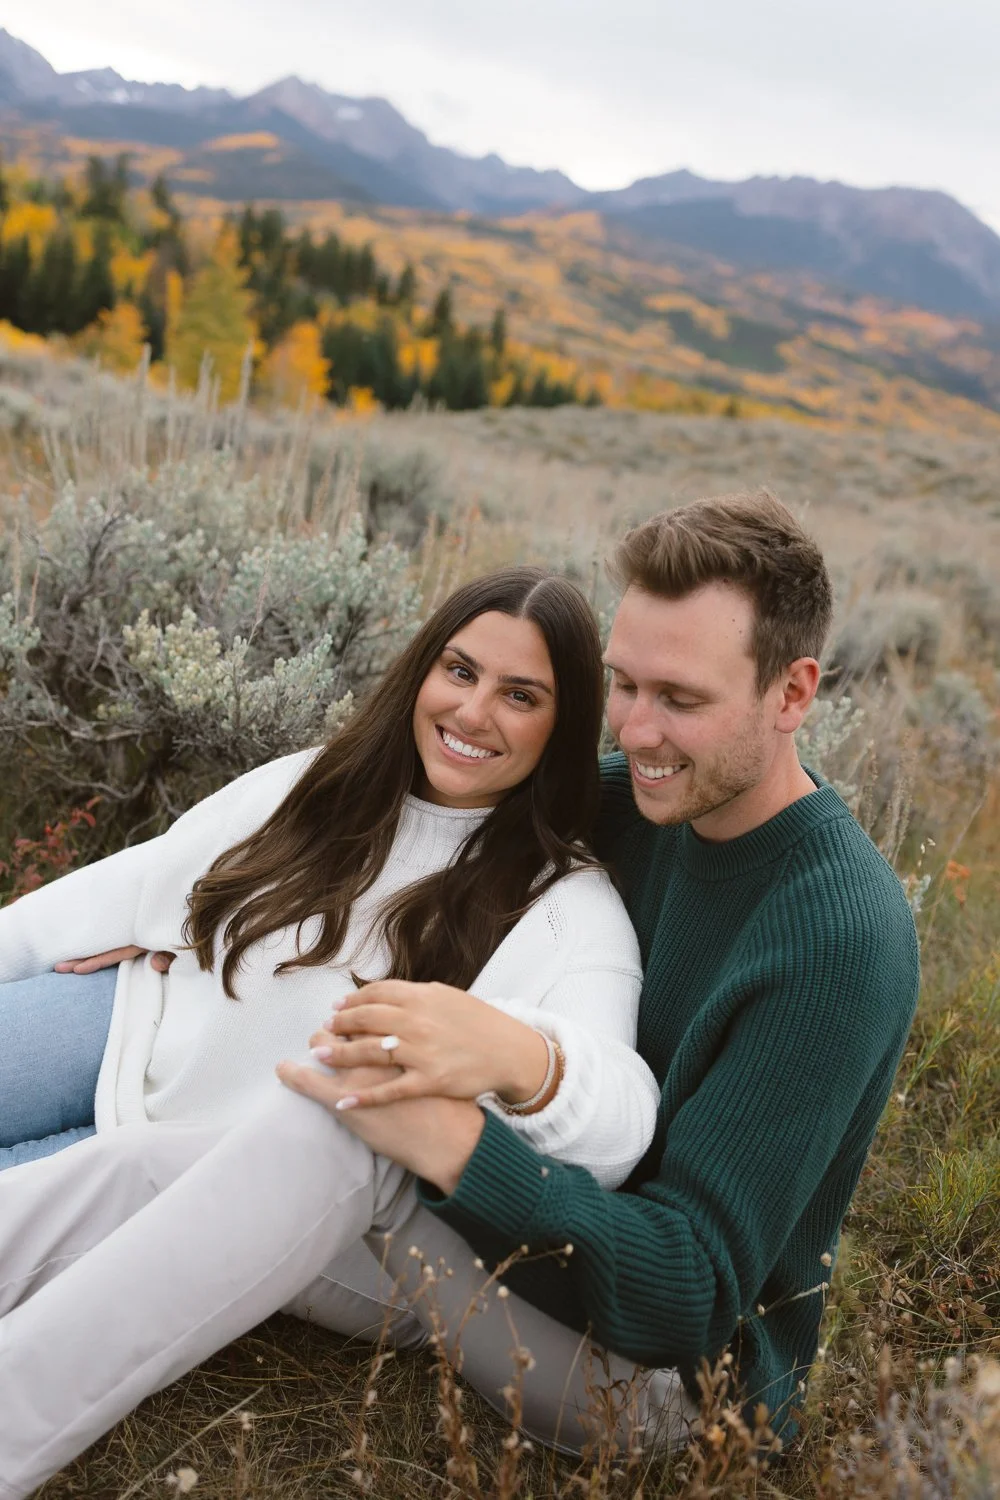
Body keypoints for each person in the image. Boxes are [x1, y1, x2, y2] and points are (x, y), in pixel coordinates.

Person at [0, 493, 920, 1496]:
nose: (640, 733)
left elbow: (686, 1299)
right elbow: (413, 849)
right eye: (623, 686)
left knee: (358, 1118)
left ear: (792, 693)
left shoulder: (837, 939)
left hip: (652, 1376)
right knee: (161, 1163)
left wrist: (463, 1148)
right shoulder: (635, 795)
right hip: (529, 1226)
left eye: (682, 700)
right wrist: (204, 920)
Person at [0, 567, 654, 1174]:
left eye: (519, 695)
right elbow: (116, 893)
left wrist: (519, 1059)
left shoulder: (566, 909)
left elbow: (618, 1134)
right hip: (123, 1023)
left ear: (561, 726)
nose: (473, 713)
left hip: (188, 1172)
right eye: (460, 672)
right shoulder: (321, 783)